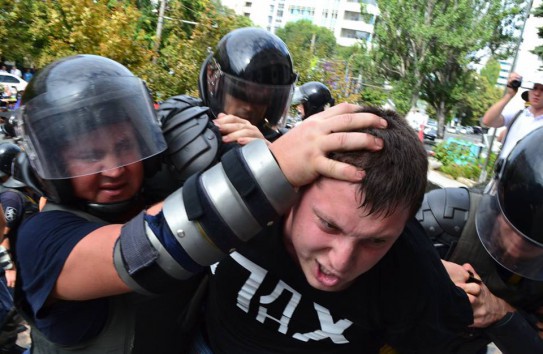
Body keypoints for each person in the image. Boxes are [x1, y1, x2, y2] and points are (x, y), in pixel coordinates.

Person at [12, 54, 387, 352]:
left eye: (125, 146)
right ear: (53, 159)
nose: (113, 168)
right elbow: (146, 251)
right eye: (89, 154)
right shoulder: (42, 239)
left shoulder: (158, 192)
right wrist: (277, 163)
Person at [193, 106, 474, 354]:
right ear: (294, 186)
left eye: (376, 241)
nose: (340, 262)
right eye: (329, 225)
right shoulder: (240, 193)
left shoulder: (415, 272)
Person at [417, 126, 543, 354]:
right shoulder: (444, 219)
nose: (515, 248)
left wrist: (500, 312)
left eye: (530, 246)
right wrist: (421, 269)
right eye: (509, 228)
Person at [159, 27, 297, 147]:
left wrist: (267, 158)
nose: (249, 107)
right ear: (214, 80)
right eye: (240, 92)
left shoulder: (280, 146)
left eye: (261, 98)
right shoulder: (180, 119)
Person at [482, 71, 543, 162]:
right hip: (505, 172)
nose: (537, 93)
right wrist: (509, 95)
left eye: (542, 90)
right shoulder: (517, 116)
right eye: (534, 88)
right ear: (529, 91)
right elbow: (487, 121)